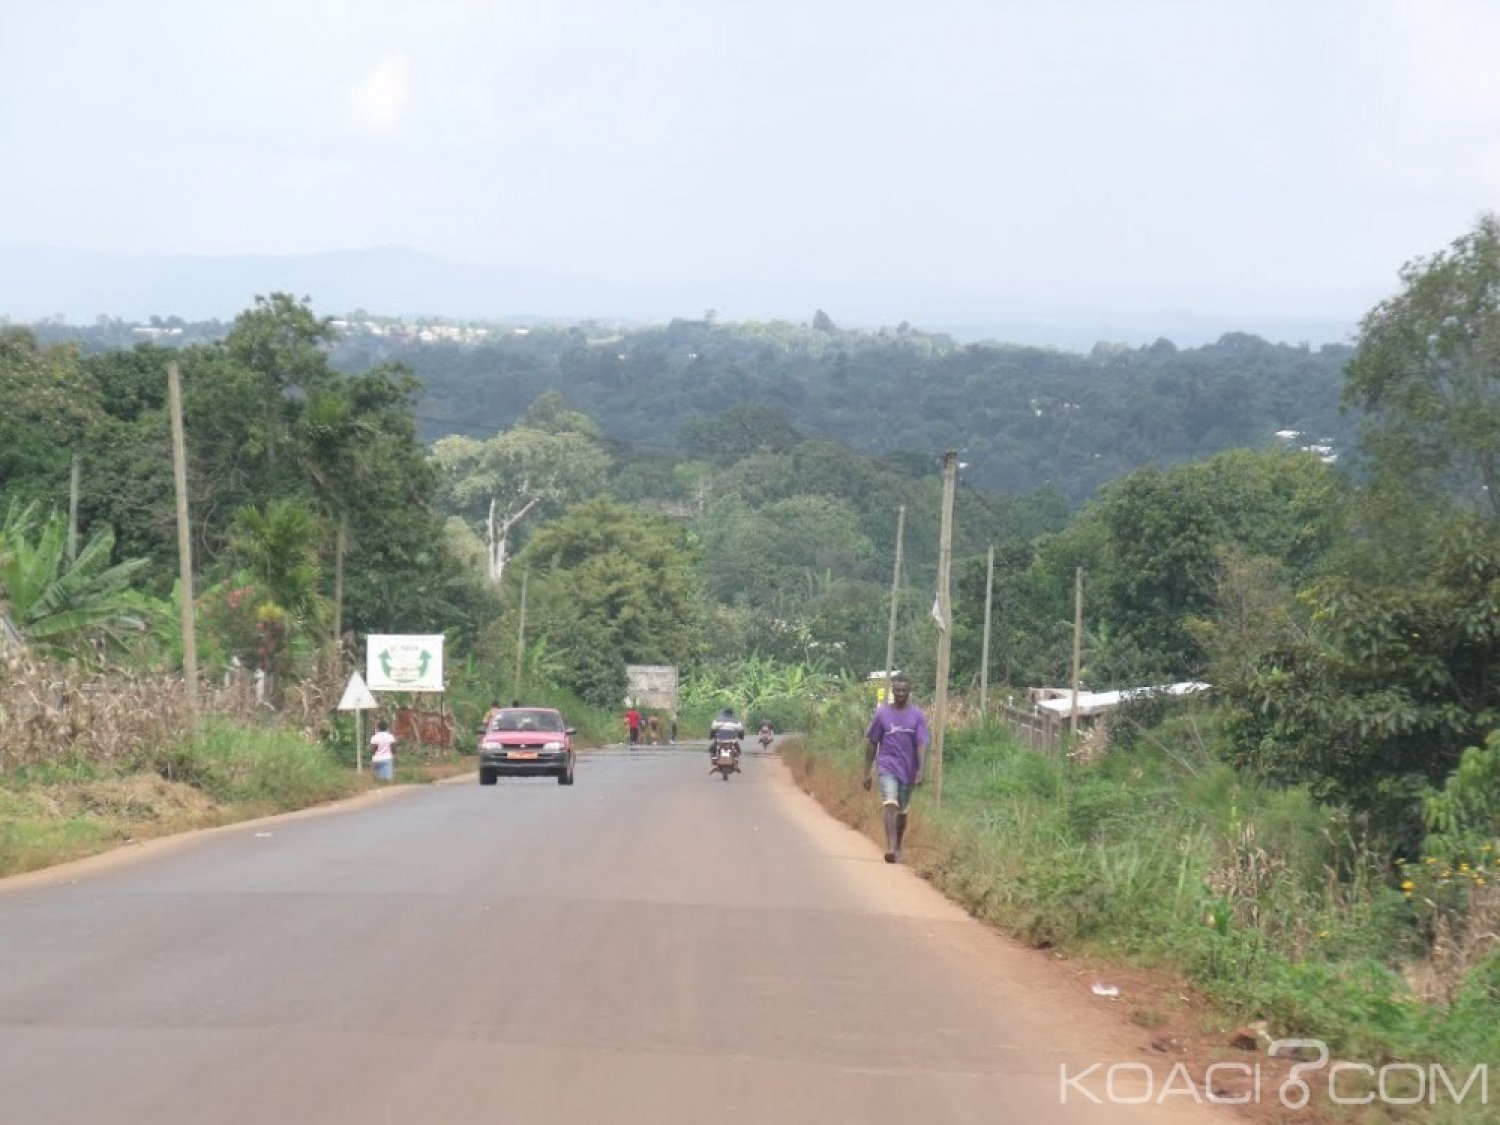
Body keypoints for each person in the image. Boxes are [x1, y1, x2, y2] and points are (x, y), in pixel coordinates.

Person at [863, 676, 928, 864]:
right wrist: (867, 772)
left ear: (909, 691)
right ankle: (890, 847)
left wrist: (921, 770)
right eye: (897, 690)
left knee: (902, 810)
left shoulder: (917, 715)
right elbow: (872, 743)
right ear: (892, 691)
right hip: (886, 765)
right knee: (890, 803)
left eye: (904, 690)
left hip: (908, 769)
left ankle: (899, 844)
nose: (900, 694)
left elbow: (921, 743)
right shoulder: (882, 714)